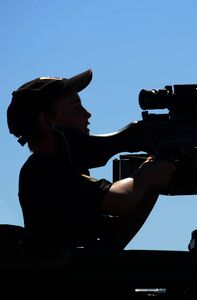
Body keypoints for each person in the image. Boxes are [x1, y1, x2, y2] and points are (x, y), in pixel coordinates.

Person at [6, 69, 176, 263]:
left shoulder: (60, 168)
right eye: (76, 108)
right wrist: (147, 175)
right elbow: (120, 200)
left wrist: (154, 183)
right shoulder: (43, 171)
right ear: (46, 121)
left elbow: (112, 240)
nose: (88, 114)